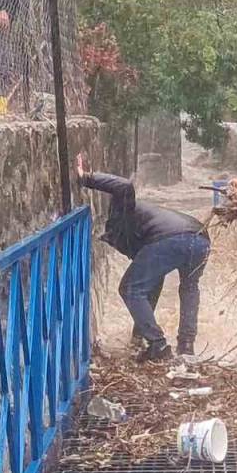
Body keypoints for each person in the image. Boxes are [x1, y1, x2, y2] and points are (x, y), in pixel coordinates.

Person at [76, 153, 210, 361]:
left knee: (129, 288)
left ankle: (159, 346)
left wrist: (86, 178)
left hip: (171, 238)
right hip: (200, 238)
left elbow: (124, 186)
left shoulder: (122, 215)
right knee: (189, 288)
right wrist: (137, 338)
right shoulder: (143, 226)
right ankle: (186, 347)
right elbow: (150, 288)